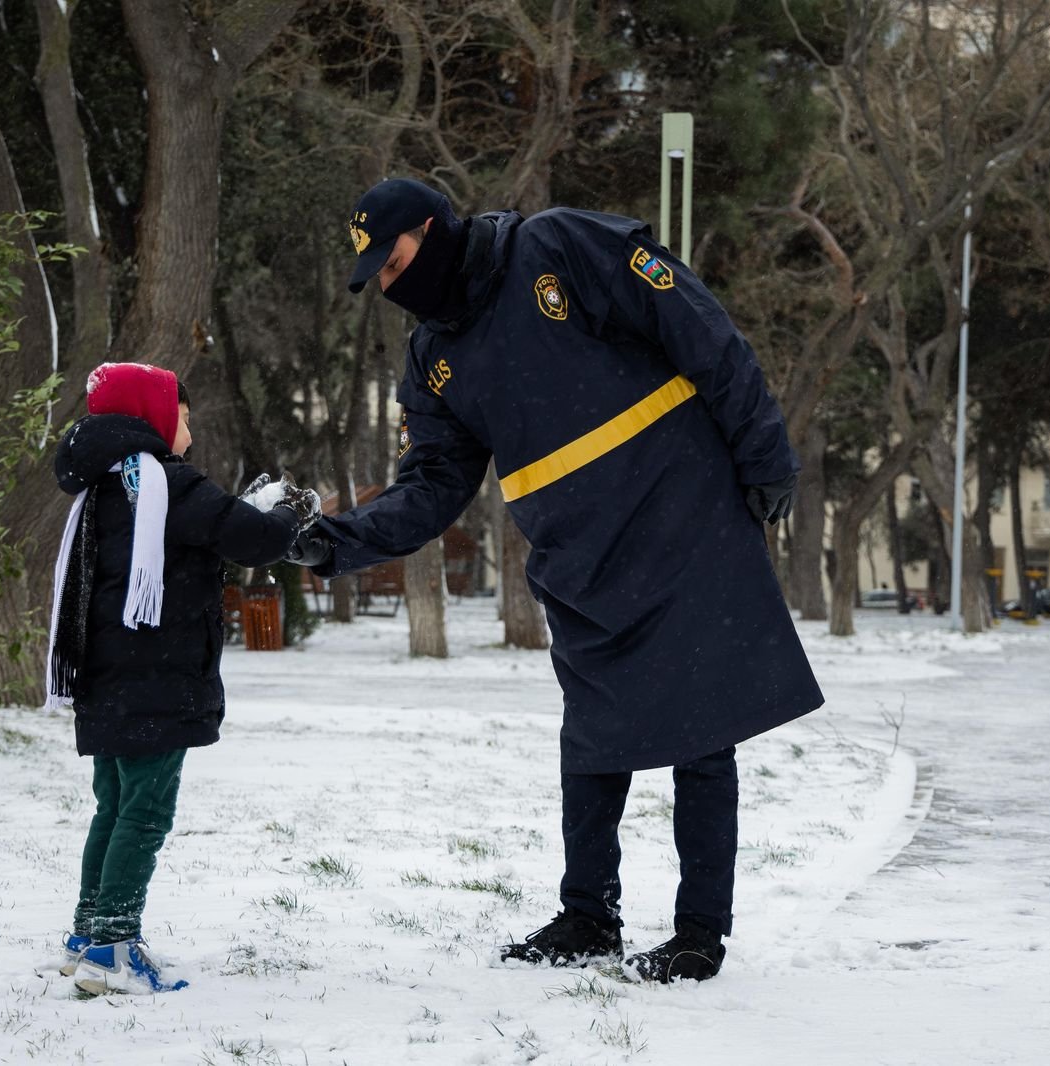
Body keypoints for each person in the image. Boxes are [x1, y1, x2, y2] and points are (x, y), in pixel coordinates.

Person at [289, 178, 824, 982]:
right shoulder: (434, 360)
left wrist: (766, 455)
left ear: (431, 230)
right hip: (580, 557)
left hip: (682, 513)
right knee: (593, 737)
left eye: (395, 264)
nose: (393, 288)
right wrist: (332, 544)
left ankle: (699, 933)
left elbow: (701, 329)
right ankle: (588, 917)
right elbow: (430, 488)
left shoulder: (560, 247)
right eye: (381, 279)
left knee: (704, 729)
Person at [45, 361, 320, 994]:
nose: (190, 433)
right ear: (155, 418)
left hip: (108, 677)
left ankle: (90, 934)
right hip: (157, 680)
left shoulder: (106, 488)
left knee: (114, 807)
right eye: (185, 419)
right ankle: (112, 947)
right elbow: (250, 537)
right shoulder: (167, 485)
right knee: (144, 813)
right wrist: (288, 512)